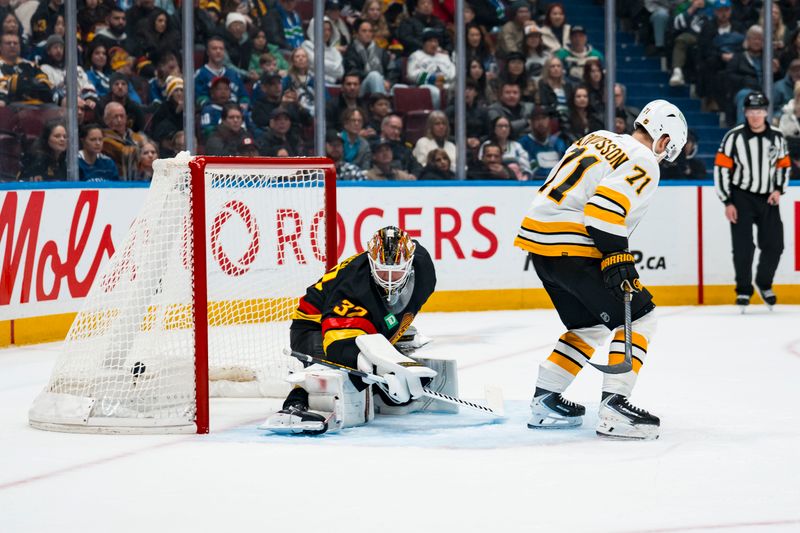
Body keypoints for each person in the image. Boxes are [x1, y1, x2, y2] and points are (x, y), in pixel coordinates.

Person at [513, 99, 688, 440]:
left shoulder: (596, 136)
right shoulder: (645, 160)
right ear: (663, 140)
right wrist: (617, 256)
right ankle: (614, 406)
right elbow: (603, 210)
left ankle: (545, 399)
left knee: (589, 325)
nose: (664, 157)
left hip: (540, 246)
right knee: (642, 317)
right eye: (668, 150)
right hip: (573, 248)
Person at [262, 226, 437, 435]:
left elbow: (393, 313)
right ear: (371, 263)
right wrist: (377, 368)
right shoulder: (354, 286)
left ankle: (376, 387)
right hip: (314, 325)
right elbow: (338, 344)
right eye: (382, 271)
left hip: (365, 320)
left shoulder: (424, 267)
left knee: (386, 388)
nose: (389, 279)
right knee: (334, 366)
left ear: (409, 265)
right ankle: (297, 400)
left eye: (397, 271)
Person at [713, 92, 790, 310]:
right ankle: (744, 290)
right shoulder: (733, 137)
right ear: (745, 113)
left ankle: (764, 283)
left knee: (775, 244)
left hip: (769, 198)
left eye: (759, 111)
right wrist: (727, 201)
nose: (755, 116)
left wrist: (778, 190)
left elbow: (783, 165)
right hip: (741, 197)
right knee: (743, 247)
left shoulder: (777, 136)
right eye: (751, 111)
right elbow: (721, 169)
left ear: (766, 112)